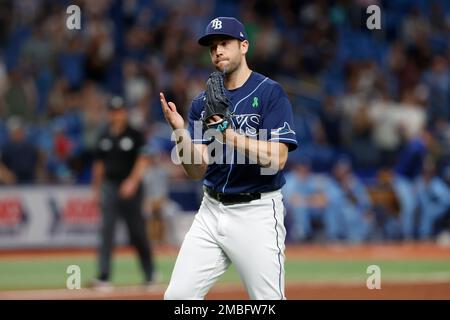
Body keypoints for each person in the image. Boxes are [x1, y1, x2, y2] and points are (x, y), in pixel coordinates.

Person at [160, 17, 298, 300]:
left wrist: (229, 135)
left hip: (256, 213)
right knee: (177, 298)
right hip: (210, 211)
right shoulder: (202, 102)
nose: (218, 51)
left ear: (244, 46)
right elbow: (196, 169)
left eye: (225, 43)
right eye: (213, 47)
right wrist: (180, 131)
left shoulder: (270, 93)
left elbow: (279, 158)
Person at [90, 96, 156, 289]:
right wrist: (95, 189)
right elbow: (99, 165)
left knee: (137, 232)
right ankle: (104, 276)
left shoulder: (135, 134)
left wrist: (132, 182)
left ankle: (149, 273)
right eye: (113, 111)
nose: (116, 115)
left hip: (131, 188)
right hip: (109, 187)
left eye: (119, 111)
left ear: (124, 113)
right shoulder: (104, 136)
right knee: (106, 232)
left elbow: (143, 160)